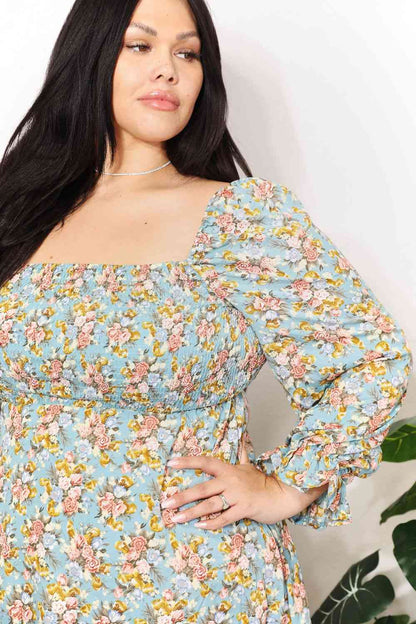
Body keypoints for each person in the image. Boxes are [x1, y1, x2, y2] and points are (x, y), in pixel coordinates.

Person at [0, 0, 412, 622]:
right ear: (88, 57)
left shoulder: (241, 219)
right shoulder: (19, 212)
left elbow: (371, 357)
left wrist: (286, 485)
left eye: (187, 53)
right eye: (139, 45)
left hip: (193, 582)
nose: (167, 69)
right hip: (28, 581)